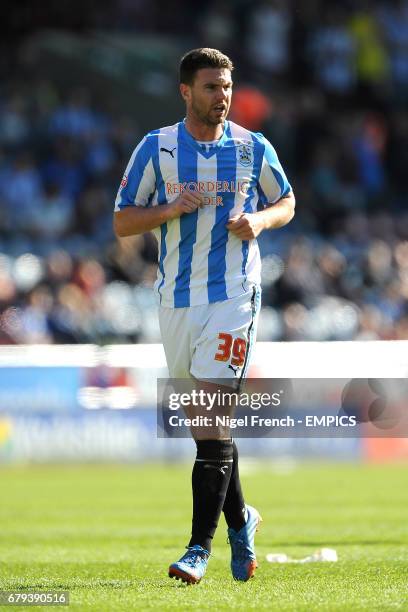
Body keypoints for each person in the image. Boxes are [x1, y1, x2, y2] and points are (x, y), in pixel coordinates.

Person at [114, 48, 295, 584]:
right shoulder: (157, 149)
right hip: (175, 300)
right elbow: (123, 222)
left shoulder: (251, 146)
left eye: (227, 87)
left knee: (213, 419)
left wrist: (260, 221)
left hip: (236, 295)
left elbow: (285, 201)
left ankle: (198, 548)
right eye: (212, 87)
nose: (223, 97)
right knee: (205, 430)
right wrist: (170, 208)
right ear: (186, 92)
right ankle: (242, 519)